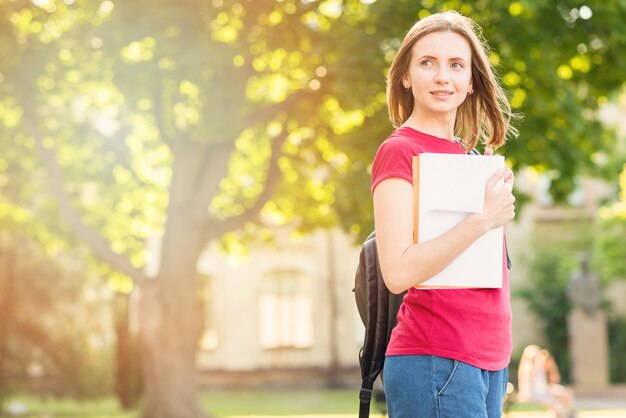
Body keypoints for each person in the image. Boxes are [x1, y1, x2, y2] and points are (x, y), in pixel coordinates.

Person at [371, 10, 518, 417]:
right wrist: (482, 219)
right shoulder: (400, 150)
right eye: (427, 63)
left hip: (489, 362)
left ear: (471, 82)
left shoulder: (469, 159)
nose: (442, 77)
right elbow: (398, 272)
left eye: (456, 65)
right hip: (436, 359)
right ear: (405, 76)